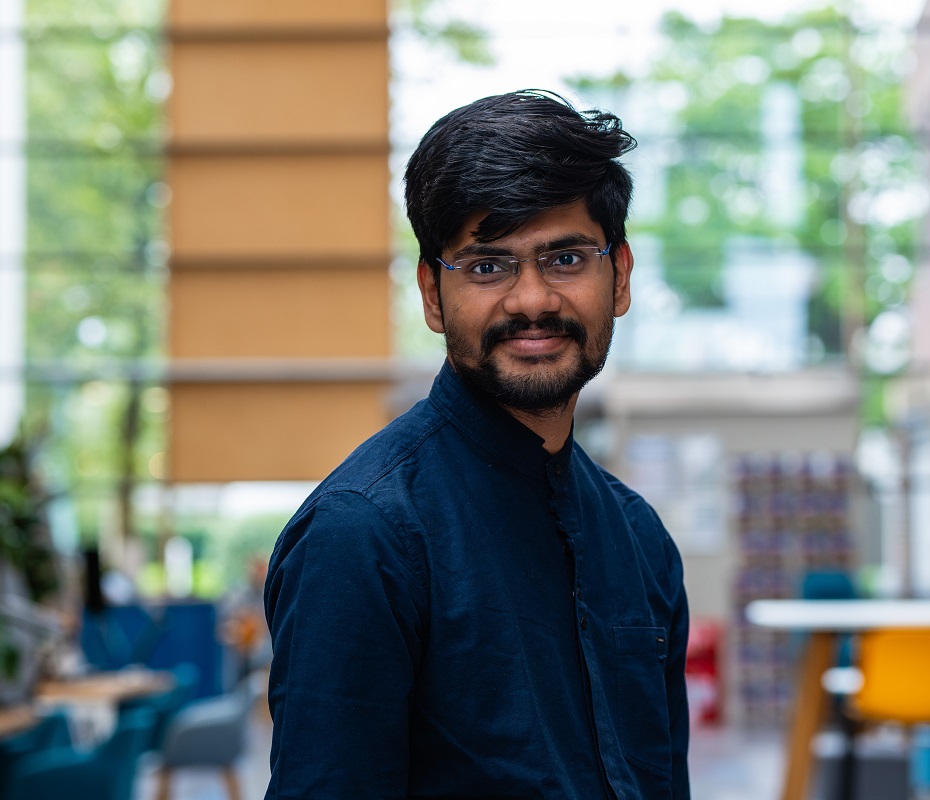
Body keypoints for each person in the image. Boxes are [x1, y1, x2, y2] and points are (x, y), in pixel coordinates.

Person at [264, 89, 690, 799]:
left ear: (620, 277)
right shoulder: (363, 536)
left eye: (566, 258)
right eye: (488, 266)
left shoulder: (639, 539)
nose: (531, 300)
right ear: (432, 295)